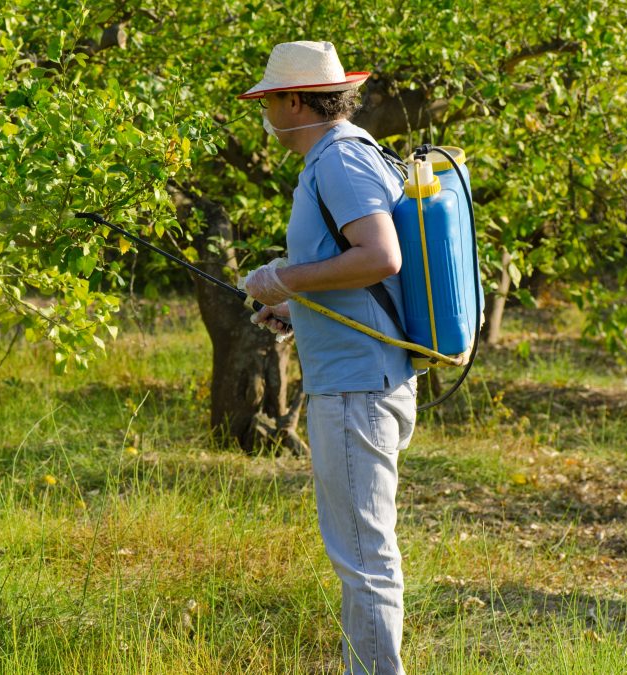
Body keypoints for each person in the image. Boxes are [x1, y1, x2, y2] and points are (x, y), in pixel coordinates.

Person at [240, 41, 417, 675]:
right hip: (364, 376)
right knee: (365, 552)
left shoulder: (340, 160)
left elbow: (380, 258)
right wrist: (297, 307)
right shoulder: (348, 154)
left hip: (356, 389)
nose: (265, 115)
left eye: (269, 101)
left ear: (294, 100)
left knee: (364, 559)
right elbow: (364, 280)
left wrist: (284, 278)